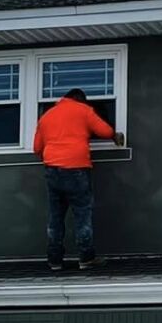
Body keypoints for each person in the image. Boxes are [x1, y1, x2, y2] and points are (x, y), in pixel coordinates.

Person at [33, 88, 123, 270]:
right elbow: (105, 131)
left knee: (55, 217)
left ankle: (55, 261)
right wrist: (114, 135)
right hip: (76, 168)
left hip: (52, 170)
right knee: (82, 214)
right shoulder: (83, 110)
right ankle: (86, 258)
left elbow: (37, 148)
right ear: (80, 100)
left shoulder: (47, 116)